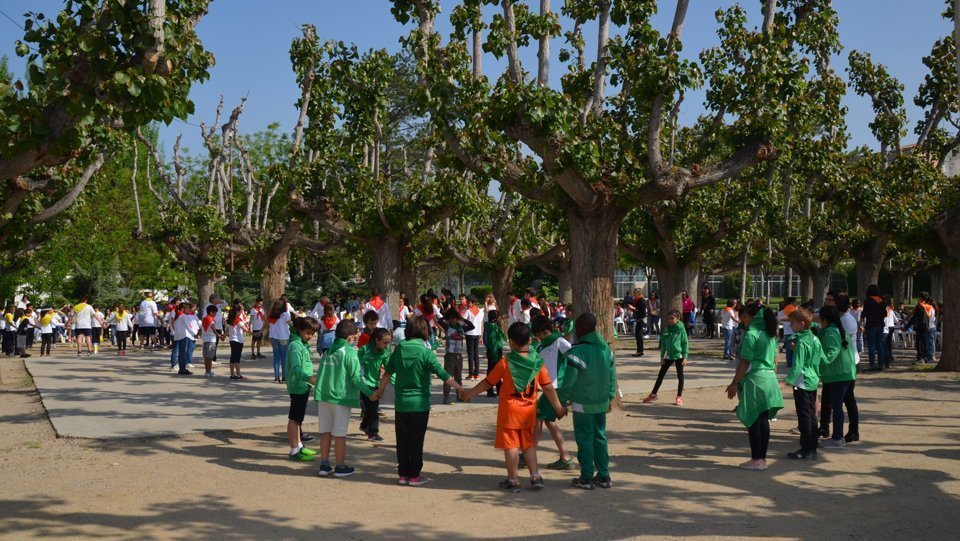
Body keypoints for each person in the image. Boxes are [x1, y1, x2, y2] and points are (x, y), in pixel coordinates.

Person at [461, 322, 565, 493]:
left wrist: (468, 394)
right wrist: (559, 408)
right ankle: (535, 476)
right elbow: (547, 387)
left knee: (511, 445)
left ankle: (513, 479)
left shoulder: (505, 363)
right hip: (529, 411)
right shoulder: (538, 362)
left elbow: (488, 383)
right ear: (530, 341)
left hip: (509, 412)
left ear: (512, 342)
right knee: (528, 444)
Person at [373, 315, 463, 487]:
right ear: (424, 331)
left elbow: (387, 373)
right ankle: (414, 475)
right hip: (420, 404)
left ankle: (403, 474)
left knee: (402, 440)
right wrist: (459, 388)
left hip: (401, 403)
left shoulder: (399, 350)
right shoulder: (425, 352)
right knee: (416, 441)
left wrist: (380, 391)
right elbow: (443, 374)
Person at [558, 313, 617, 490]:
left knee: (585, 439)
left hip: (583, 403)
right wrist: (610, 396)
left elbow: (569, 382)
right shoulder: (606, 349)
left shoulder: (577, 352)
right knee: (600, 437)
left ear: (581, 329)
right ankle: (604, 475)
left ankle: (586, 477)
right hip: (601, 401)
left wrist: (561, 401)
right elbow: (612, 376)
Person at [313, 320, 377, 478]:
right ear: (350, 337)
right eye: (355, 335)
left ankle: (324, 464)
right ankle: (340, 466)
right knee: (340, 434)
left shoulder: (327, 352)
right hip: (340, 398)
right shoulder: (350, 352)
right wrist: (370, 393)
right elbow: (356, 378)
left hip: (324, 396)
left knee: (326, 432)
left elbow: (320, 373)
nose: (356, 338)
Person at [725, 302, 783, 471]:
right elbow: (774, 359)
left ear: (752, 317)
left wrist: (734, 383)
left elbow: (745, 361)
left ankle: (756, 458)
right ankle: (762, 458)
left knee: (753, 420)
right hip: (769, 378)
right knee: (764, 420)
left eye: (745, 317)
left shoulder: (752, 334)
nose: (743, 321)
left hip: (755, 379)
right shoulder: (770, 335)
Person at [530, 316, 576, 471]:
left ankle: (528, 453)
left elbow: (574, 357)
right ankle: (565, 457)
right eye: (540, 334)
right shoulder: (540, 346)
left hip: (557, 387)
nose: (543, 336)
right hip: (549, 387)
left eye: (545, 332)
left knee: (539, 418)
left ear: (551, 329)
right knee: (547, 421)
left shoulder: (560, 342)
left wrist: (569, 383)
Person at [820, 290, 861, 443]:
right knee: (829, 399)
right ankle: (825, 427)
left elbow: (836, 348)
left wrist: (819, 361)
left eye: (830, 300)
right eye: (827, 299)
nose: (827, 302)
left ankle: (851, 432)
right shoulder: (833, 322)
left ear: (839, 302)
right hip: (836, 368)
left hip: (844, 366)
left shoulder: (844, 321)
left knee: (845, 401)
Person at [783, 307, 822, 460]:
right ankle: (812, 446)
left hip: (802, 381)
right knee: (811, 415)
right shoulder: (814, 339)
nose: (790, 326)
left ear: (801, 323)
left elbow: (797, 366)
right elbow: (823, 358)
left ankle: (806, 448)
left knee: (804, 416)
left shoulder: (802, 342)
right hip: (812, 379)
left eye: (792, 323)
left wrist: (786, 382)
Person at [285, 316, 319, 463]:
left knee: (298, 419)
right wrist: (308, 378)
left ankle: (299, 445)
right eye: (307, 333)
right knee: (294, 419)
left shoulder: (302, 344)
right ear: (299, 330)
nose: (310, 336)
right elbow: (296, 368)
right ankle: (294, 450)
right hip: (297, 385)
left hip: (303, 385)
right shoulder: (295, 346)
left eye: (312, 333)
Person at [643, 309, 688, 406]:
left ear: (678, 318)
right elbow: (663, 344)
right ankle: (653, 394)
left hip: (679, 356)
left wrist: (685, 357)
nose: (670, 320)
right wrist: (662, 356)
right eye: (669, 319)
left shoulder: (681, 329)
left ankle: (679, 397)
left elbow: (685, 343)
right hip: (668, 356)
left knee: (680, 377)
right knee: (660, 375)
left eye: (672, 318)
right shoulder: (667, 329)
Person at [359, 328, 392, 442]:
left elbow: (388, 367)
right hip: (364, 382)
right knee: (373, 408)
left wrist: (391, 381)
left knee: (372, 406)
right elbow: (355, 366)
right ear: (376, 340)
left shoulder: (386, 350)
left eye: (389, 342)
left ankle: (364, 426)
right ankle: (373, 433)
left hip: (376, 381)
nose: (387, 345)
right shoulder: (364, 350)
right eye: (385, 342)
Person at [438, 308, 475, 405]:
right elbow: (439, 321)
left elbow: (472, 326)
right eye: (450, 319)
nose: (452, 320)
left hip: (459, 355)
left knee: (458, 377)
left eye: (454, 318)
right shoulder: (447, 327)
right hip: (450, 355)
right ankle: (446, 396)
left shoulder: (461, 327)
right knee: (448, 377)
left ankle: (460, 395)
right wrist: (446, 316)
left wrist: (462, 319)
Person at [862, 285, 887, 371]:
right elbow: (885, 314)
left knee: (871, 345)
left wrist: (860, 321)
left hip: (871, 325)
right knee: (880, 344)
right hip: (880, 325)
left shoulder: (868, 301)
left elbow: (864, 312)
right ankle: (881, 364)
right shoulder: (882, 301)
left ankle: (872, 364)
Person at [268, 300, 292, 383]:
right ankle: (284, 376)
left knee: (276, 357)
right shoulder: (285, 314)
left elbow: (267, 323)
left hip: (273, 337)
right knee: (284, 358)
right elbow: (290, 323)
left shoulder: (271, 314)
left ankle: (276, 377)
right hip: (283, 337)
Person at [483, 309, 506, 397]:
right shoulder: (492, 327)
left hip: (494, 350)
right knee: (493, 371)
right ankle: (490, 390)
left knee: (494, 370)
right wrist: (495, 355)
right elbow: (493, 342)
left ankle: (498, 389)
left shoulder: (490, 325)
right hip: (494, 351)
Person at [172, 302, 200, 375]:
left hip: (178, 336)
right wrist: (194, 334)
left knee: (181, 353)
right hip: (183, 336)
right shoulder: (183, 316)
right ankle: (182, 369)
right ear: (183, 308)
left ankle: (182, 368)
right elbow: (188, 326)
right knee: (182, 353)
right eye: (188, 308)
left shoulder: (178, 315)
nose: (189, 310)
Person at [463, 295, 485, 381]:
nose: (467, 304)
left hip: (470, 333)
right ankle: (477, 374)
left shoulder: (468, 311)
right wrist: (481, 336)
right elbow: (481, 323)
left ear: (474, 302)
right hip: (477, 334)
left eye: (469, 302)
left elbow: (463, 321)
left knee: (471, 354)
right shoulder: (480, 311)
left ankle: (471, 374)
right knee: (476, 354)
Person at [227, 300, 250, 381]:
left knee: (232, 357)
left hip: (232, 339)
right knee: (237, 358)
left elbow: (227, 330)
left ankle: (232, 374)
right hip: (238, 340)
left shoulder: (230, 319)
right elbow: (245, 329)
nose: (241, 312)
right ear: (237, 311)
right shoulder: (238, 320)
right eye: (240, 311)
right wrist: (251, 332)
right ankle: (238, 374)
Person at [201, 305, 223, 377]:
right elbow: (213, 328)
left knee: (206, 357)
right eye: (215, 313)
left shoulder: (204, 318)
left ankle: (207, 371)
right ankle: (208, 372)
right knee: (210, 357)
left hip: (205, 339)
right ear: (211, 312)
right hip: (211, 339)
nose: (215, 314)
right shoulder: (211, 319)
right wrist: (218, 335)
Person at [632, 292, 647, 356]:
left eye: (635, 293)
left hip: (641, 320)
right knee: (638, 335)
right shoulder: (638, 300)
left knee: (639, 336)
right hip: (639, 320)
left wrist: (633, 308)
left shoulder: (641, 301)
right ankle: (639, 350)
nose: (634, 295)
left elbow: (641, 311)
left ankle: (640, 351)